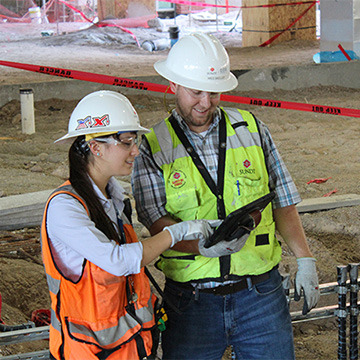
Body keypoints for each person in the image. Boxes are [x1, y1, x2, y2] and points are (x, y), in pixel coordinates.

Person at [131, 33, 320, 360]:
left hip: (260, 295)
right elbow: (158, 225)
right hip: (192, 303)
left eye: (214, 92)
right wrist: (203, 245)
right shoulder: (152, 146)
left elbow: (282, 202)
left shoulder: (251, 129)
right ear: (173, 84)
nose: (205, 102)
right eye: (196, 91)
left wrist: (305, 259)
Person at [40, 90, 214, 360]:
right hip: (86, 353)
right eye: (126, 142)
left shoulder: (114, 199)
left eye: (136, 140)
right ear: (95, 147)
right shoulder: (65, 208)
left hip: (128, 349)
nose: (136, 150)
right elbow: (119, 261)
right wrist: (177, 231)